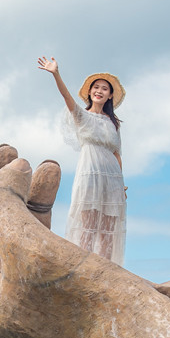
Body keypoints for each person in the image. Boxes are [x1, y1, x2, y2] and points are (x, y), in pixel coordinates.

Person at [38, 56, 127, 265]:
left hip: (112, 179)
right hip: (90, 174)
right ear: (89, 92)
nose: (99, 90)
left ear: (110, 95)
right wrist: (56, 74)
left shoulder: (113, 123)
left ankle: (106, 271)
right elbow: (66, 97)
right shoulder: (82, 116)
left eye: (105, 88)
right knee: (88, 223)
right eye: (96, 87)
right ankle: (83, 267)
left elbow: (116, 154)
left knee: (108, 228)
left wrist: (121, 185)